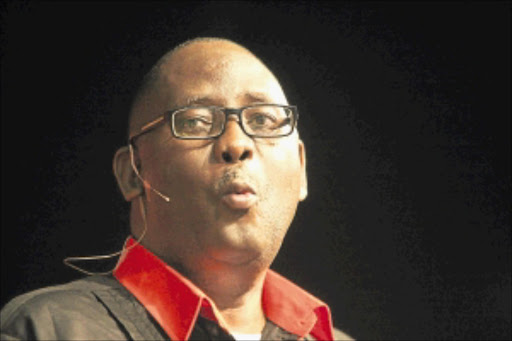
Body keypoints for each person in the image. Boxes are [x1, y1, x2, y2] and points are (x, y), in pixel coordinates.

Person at [0, 38, 352, 340]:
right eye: (197, 121)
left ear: (302, 170)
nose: (236, 143)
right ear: (132, 173)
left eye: (263, 120)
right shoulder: (49, 329)